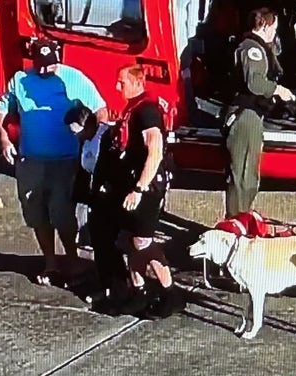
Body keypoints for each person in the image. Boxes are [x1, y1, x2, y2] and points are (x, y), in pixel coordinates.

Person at [0, 37, 108, 286]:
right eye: (41, 65)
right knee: (36, 213)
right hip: (30, 160)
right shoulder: (20, 80)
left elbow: (101, 109)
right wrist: (3, 138)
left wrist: (93, 141)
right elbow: (1, 111)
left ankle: (72, 259)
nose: (45, 70)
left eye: (51, 65)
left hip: (65, 161)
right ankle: (51, 263)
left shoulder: (74, 78)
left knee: (62, 213)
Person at [89, 64, 184, 318]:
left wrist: (140, 189)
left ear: (137, 83)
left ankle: (170, 292)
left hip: (148, 188)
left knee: (142, 241)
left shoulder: (147, 112)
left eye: (122, 82)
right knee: (129, 239)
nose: (117, 87)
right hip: (130, 184)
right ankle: (138, 292)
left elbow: (155, 150)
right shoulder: (134, 109)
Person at [222, 7, 296, 218]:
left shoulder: (260, 48)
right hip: (245, 116)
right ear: (264, 24)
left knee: (250, 176)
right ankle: (235, 222)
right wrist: (277, 90)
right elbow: (254, 82)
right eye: (273, 27)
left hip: (253, 115)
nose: (275, 32)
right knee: (242, 176)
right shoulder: (251, 49)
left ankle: (243, 217)